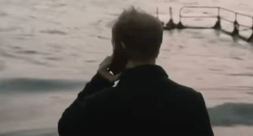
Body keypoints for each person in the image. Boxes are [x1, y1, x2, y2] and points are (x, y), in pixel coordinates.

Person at [58, 7, 214, 136]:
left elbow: (65, 129)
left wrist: (99, 82)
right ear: (158, 45)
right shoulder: (191, 101)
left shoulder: (100, 104)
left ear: (121, 45)